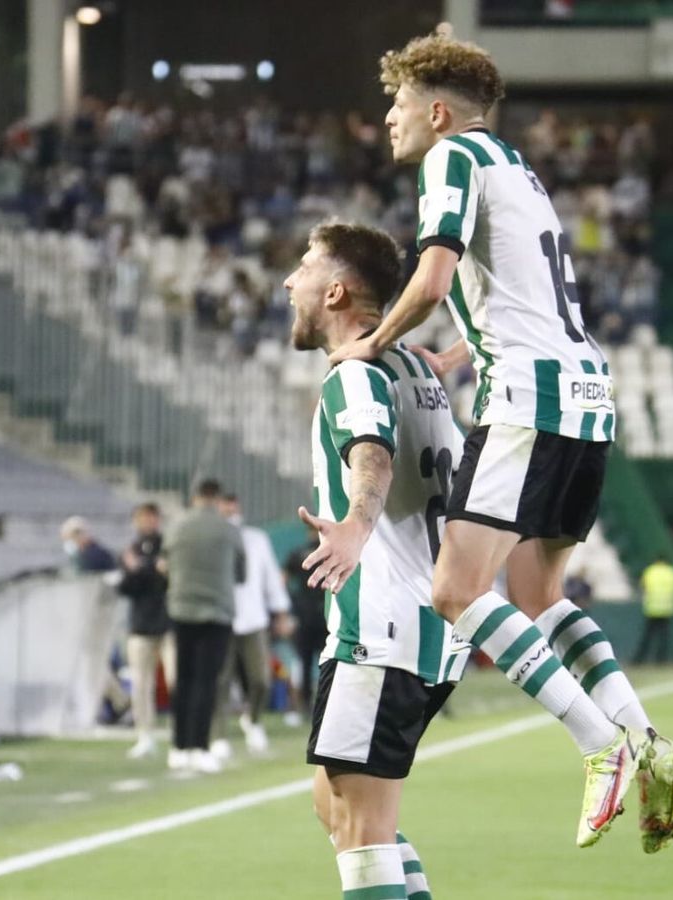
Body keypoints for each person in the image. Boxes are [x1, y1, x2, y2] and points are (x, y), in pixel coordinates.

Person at [326, 33, 673, 854]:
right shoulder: (518, 170)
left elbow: (436, 276)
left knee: (454, 591)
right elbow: (520, 301)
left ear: (439, 111)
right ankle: (649, 738)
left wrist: (371, 343)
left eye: (399, 105)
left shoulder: (450, 161)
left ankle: (601, 745)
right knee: (537, 594)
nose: (389, 120)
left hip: (529, 399)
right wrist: (453, 354)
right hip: (586, 395)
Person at [283, 224, 470, 900]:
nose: (288, 282)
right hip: (428, 629)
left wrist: (356, 528)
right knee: (336, 808)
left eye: (303, 270)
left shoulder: (355, 371)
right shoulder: (416, 366)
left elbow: (373, 455)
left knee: (361, 832)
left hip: (381, 631)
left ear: (335, 291)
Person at [161, 479, 243, 774]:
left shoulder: (176, 527)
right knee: (207, 682)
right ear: (217, 498)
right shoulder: (228, 529)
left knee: (182, 680)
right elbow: (241, 572)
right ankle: (200, 746)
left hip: (181, 608)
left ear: (194, 497)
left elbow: (164, 563)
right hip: (217, 611)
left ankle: (178, 746)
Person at [212, 492, 292, 758]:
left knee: (261, 678)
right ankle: (218, 735)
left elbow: (270, 577)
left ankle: (253, 719)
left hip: (254, 619)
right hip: (221, 619)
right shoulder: (212, 540)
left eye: (233, 508)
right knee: (220, 681)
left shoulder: (256, 539)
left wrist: (280, 612)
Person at [117, 503, 175, 759]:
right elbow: (126, 586)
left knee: (176, 680)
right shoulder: (130, 550)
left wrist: (141, 568)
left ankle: (180, 732)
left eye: (152, 517)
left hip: (168, 622)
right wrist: (146, 569)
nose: (148, 523)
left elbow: (169, 579)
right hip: (140, 625)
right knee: (141, 684)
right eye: (143, 518)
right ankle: (145, 734)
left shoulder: (169, 546)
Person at [283, 524, 328, 712]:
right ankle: (325, 703)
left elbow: (282, 580)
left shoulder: (298, 553)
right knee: (326, 660)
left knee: (304, 661)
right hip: (325, 614)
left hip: (304, 615)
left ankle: (304, 705)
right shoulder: (329, 550)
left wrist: (290, 605)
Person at [634, 554, 673, 665]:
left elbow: (643, 587)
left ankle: (640, 659)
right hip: (667, 609)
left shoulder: (650, 571)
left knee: (648, 637)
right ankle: (661, 660)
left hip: (652, 608)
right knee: (663, 638)